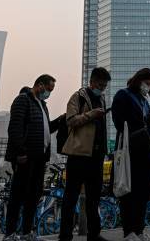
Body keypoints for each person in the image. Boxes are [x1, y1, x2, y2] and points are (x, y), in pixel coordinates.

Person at [3, 74, 60, 241]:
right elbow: (15, 128)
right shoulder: (23, 100)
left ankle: (27, 232)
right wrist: (20, 152)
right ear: (40, 85)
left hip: (39, 158)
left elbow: (46, 129)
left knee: (33, 196)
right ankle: (10, 233)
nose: (49, 93)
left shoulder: (42, 105)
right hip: (25, 157)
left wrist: (61, 120)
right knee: (18, 195)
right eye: (48, 89)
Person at [59, 67, 112, 241]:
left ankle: (94, 234)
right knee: (71, 197)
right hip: (78, 155)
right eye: (99, 84)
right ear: (91, 82)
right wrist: (90, 114)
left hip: (96, 157)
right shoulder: (78, 97)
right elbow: (71, 120)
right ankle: (65, 235)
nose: (102, 88)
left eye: (104, 86)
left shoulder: (102, 98)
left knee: (94, 198)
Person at [111, 68, 150, 241]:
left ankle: (139, 229)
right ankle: (128, 232)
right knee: (129, 193)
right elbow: (120, 123)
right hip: (129, 152)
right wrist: (143, 122)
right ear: (138, 80)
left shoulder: (144, 101)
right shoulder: (123, 95)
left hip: (145, 152)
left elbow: (145, 126)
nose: (148, 88)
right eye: (147, 84)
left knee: (142, 194)